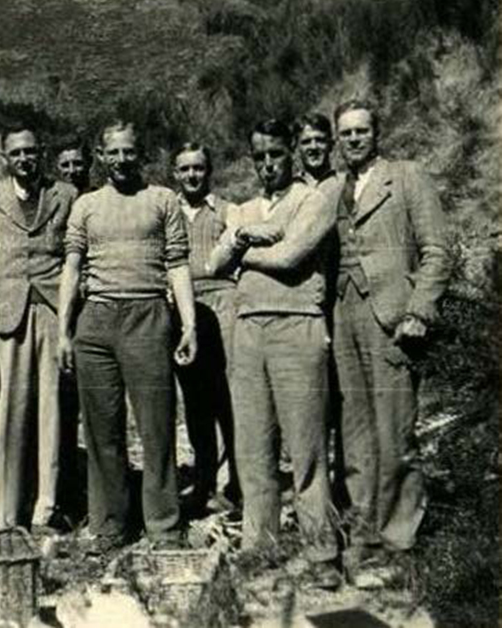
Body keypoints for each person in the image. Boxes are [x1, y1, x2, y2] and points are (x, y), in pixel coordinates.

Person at [207, 119, 342, 588]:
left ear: (292, 154)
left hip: (297, 324)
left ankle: (322, 551)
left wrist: (241, 246)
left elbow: (290, 257)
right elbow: (212, 263)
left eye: (276, 155)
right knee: (252, 446)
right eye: (260, 157)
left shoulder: (314, 199)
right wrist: (250, 235)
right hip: (248, 328)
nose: (268, 165)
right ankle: (259, 547)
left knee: (306, 447)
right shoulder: (243, 209)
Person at [57, 121, 197, 551]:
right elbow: (72, 269)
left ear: (141, 154)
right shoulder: (85, 205)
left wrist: (189, 324)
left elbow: (177, 264)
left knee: (157, 426)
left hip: (148, 316)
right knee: (102, 430)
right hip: (96, 321)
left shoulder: (163, 200)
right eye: (113, 152)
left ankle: (164, 526)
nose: (121, 160)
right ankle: (110, 525)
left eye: (129, 151)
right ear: (101, 156)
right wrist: (64, 331)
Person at [330, 100, 449, 571]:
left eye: (361, 130)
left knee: (395, 431)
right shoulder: (335, 188)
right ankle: (365, 532)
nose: (354, 139)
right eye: (346, 133)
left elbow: (437, 251)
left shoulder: (406, 176)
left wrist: (419, 310)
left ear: (376, 133)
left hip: (392, 319)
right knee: (356, 435)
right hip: (343, 317)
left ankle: (399, 538)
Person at [0, 126, 77, 533]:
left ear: (42, 153)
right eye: (16, 153)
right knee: (6, 415)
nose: (24, 159)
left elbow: (76, 256)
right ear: (5, 158)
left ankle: (45, 510)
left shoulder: (66, 195)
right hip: (7, 315)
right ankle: (3, 514)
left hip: (52, 310)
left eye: (30, 152)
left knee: (51, 411)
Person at [171, 142, 241, 514]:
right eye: (185, 169)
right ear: (175, 173)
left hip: (223, 303)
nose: (192, 175)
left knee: (227, 394)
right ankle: (203, 480)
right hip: (184, 308)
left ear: (208, 170)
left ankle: (235, 481)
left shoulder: (227, 210)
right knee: (195, 398)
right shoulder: (167, 211)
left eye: (198, 168)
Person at [295, 114, 338, 188]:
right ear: (297, 147)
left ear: (331, 145)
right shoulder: (291, 186)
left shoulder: (345, 182)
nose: (313, 147)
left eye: (320, 140)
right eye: (306, 142)